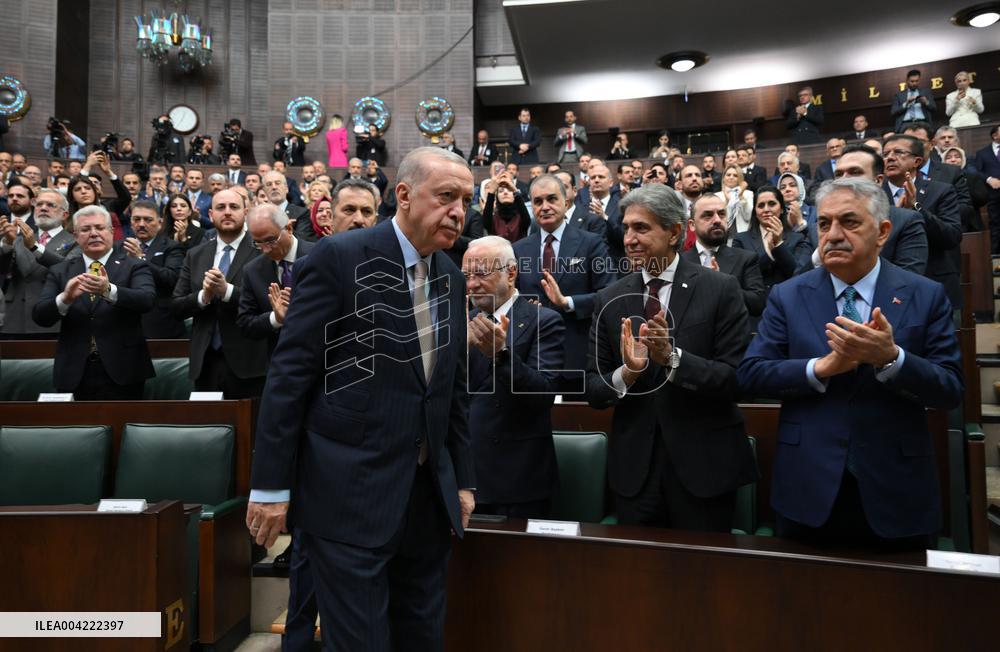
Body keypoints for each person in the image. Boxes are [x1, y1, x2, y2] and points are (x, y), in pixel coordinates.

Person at [246, 147, 475, 651]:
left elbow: (449, 389)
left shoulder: (452, 277)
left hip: (426, 499)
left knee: (422, 636)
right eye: (446, 197)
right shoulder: (338, 258)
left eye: (465, 200)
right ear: (404, 196)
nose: (458, 211)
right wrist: (269, 487)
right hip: (347, 494)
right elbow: (289, 377)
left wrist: (462, 479)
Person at [738, 177, 963, 549]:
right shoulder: (788, 295)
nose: (834, 234)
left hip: (897, 487)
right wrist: (820, 368)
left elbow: (951, 389)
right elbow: (751, 374)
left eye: (850, 222)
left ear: (883, 231)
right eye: (824, 223)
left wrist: (891, 359)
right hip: (808, 485)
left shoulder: (925, 294)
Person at [585, 184, 758, 531]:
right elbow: (593, 388)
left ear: (675, 231)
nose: (629, 238)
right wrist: (627, 374)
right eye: (627, 227)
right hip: (635, 474)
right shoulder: (609, 298)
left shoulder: (721, 289)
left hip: (705, 469)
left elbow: (737, 379)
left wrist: (673, 359)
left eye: (641, 228)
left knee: (705, 579)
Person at [463, 235, 564, 518]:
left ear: (511, 273)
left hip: (518, 483)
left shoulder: (544, 321)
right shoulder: (461, 322)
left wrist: (501, 354)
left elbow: (544, 394)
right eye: (467, 275)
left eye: (481, 273)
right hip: (464, 477)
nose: (472, 284)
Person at [33, 205, 155, 399]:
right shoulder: (61, 270)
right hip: (73, 370)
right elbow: (40, 316)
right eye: (86, 229)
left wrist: (108, 290)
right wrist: (65, 299)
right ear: (75, 236)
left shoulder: (134, 265)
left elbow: (146, 300)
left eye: (99, 228)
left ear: (112, 232)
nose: (94, 234)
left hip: (124, 369)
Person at [513, 174, 615, 394]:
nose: (545, 206)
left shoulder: (591, 243)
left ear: (566, 202)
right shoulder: (518, 249)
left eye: (552, 199)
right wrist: (524, 308)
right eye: (538, 201)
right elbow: (511, 298)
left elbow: (608, 295)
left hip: (577, 355)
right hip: (530, 358)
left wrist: (566, 302)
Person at [171, 189, 267, 398]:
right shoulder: (195, 254)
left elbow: (268, 303)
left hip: (250, 363)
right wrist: (203, 296)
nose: (227, 212)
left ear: (246, 212)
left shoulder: (263, 251)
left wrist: (227, 292)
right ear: (211, 214)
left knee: (250, 428)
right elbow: (176, 306)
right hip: (205, 363)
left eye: (234, 207)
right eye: (220, 208)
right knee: (207, 427)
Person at [882, 135, 963, 307]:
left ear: (916, 161)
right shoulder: (874, 196)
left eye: (898, 152)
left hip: (932, 280)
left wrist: (916, 208)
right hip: (886, 285)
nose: (889, 157)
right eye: (886, 153)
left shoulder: (941, 190)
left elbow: (951, 237)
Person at [0, 189, 78, 335]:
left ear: (64, 215)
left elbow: (67, 268)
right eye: (39, 204)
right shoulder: (17, 238)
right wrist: (7, 244)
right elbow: (3, 271)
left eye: (50, 205)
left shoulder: (75, 241)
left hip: (52, 315)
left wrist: (34, 247)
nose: (43, 208)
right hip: (16, 315)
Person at [682, 193, 766, 318]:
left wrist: (722, 284)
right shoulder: (680, 262)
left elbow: (757, 305)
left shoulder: (746, 259)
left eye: (721, 214)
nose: (717, 220)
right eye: (708, 215)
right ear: (692, 225)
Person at [120, 200, 186, 339]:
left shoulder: (172, 247)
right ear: (131, 222)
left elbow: (172, 278)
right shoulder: (120, 248)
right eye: (136, 219)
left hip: (160, 322)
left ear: (160, 222)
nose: (142, 224)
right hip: (126, 321)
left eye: (148, 220)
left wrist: (140, 259)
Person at [732, 186, 811, 295]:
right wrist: (769, 254)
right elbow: (741, 275)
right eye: (760, 205)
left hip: (787, 301)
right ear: (755, 211)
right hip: (757, 307)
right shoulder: (741, 239)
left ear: (782, 208)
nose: (766, 209)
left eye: (772, 204)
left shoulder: (797, 238)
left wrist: (778, 244)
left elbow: (797, 273)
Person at [299, 178, 379, 242]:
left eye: (367, 212)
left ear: (375, 220)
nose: (359, 219)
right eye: (349, 210)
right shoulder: (310, 261)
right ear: (332, 218)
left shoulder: (388, 260)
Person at [481, 170, 531, 243]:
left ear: (514, 195)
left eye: (509, 190)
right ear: (497, 197)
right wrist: (492, 191)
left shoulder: (521, 217)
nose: (505, 192)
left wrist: (513, 188)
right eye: (501, 191)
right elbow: (486, 221)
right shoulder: (493, 218)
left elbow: (525, 216)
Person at [973, 125, 1000, 253]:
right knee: (996, 228)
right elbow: (976, 171)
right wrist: (989, 179)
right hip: (994, 197)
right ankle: (996, 262)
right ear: (995, 135)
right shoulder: (982, 153)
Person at [715, 165, 753, 235]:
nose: (731, 177)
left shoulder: (748, 194)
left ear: (740, 178)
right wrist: (727, 200)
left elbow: (748, 217)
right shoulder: (716, 196)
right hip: (723, 235)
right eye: (728, 175)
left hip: (743, 234)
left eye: (735, 175)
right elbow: (718, 218)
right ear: (723, 178)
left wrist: (741, 196)